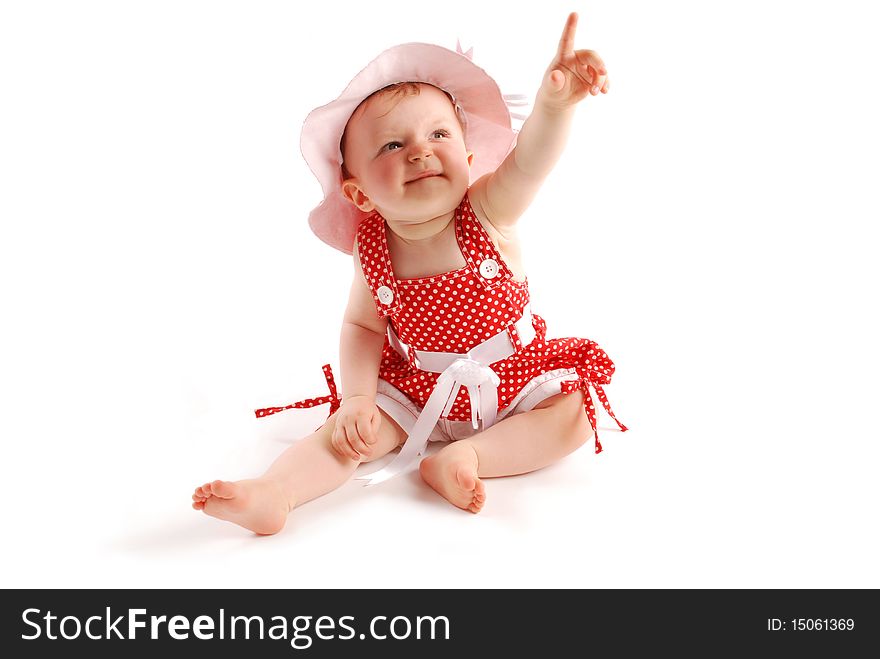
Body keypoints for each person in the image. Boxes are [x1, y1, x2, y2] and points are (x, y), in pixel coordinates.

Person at [192, 12, 627, 534]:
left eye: (438, 133)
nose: (420, 150)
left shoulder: (488, 210)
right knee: (347, 434)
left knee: (577, 410)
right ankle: (276, 493)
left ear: (469, 158)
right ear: (359, 195)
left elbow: (531, 162)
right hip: (418, 387)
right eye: (392, 146)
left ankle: (465, 458)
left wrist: (554, 106)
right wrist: (356, 400)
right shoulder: (371, 248)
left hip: (513, 376)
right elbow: (362, 328)